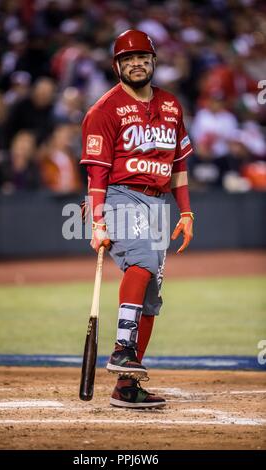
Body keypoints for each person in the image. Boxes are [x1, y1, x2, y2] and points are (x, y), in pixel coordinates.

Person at [80, 30, 194, 409]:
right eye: (128, 59)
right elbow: (96, 173)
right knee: (142, 260)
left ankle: (126, 386)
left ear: (153, 61)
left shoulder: (171, 105)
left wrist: (187, 211)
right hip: (118, 195)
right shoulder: (104, 110)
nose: (136, 63)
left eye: (143, 57)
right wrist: (98, 220)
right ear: (117, 66)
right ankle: (122, 348)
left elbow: (178, 166)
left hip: (158, 203)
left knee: (151, 298)